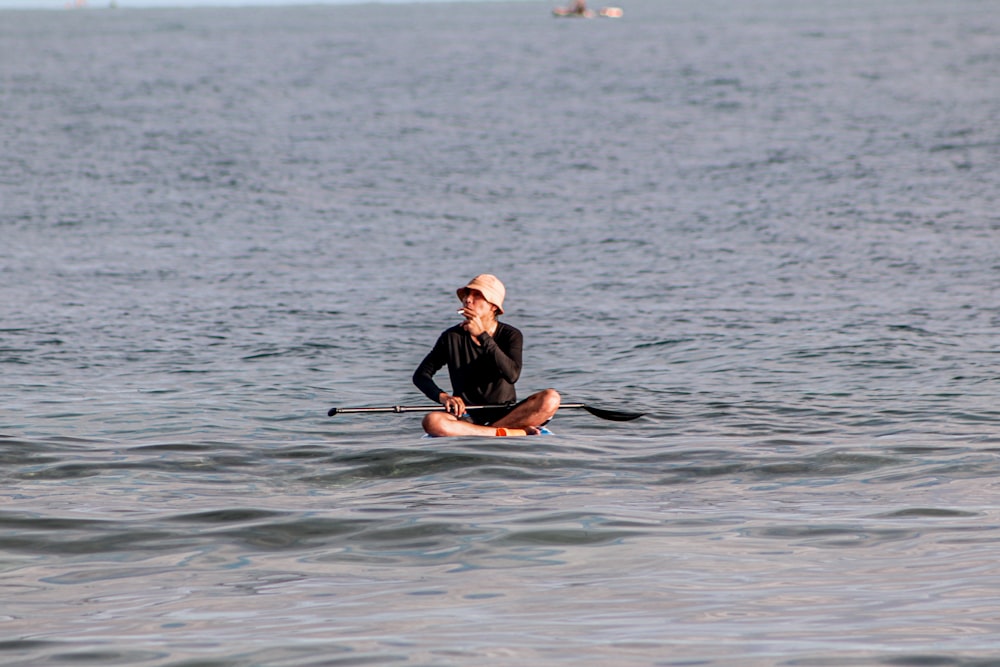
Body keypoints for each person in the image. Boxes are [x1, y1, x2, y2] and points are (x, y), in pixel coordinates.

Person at [413, 274, 561, 437]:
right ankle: (515, 433)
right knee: (432, 421)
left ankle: (493, 430)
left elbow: (512, 375)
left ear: (494, 307)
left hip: (506, 413)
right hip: (466, 415)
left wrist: (482, 336)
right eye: (467, 295)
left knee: (551, 398)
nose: (468, 299)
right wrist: (443, 397)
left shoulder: (511, 335)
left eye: (477, 295)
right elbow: (421, 376)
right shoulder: (451, 336)